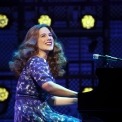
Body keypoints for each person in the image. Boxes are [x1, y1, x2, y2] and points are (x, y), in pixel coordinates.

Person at [9, 24, 82, 122]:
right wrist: (78, 94)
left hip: (28, 114)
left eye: (50, 35)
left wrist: (79, 99)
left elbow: (50, 100)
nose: (49, 38)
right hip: (33, 114)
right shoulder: (36, 61)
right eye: (43, 36)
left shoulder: (37, 62)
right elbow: (49, 86)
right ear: (34, 42)